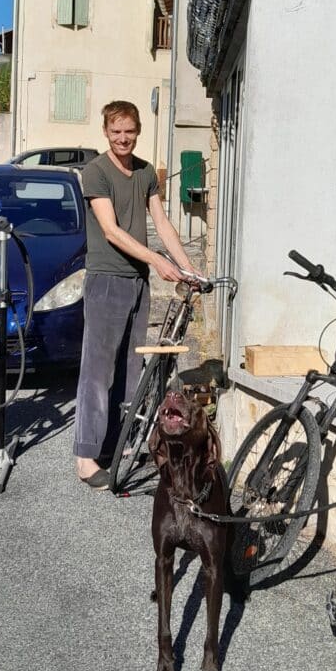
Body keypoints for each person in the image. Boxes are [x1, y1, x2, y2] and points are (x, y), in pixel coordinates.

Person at [74, 100, 199, 489]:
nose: (123, 138)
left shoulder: (145, 172)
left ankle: (120, 442)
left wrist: (188, 269)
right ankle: (86, 457)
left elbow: (161, 223)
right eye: (116, 132)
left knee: (131, 367)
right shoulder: (95, 172)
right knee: (98, 370)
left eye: (129, 131)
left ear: (138, 130)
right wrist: (159, 262)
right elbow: (110, 230)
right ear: (106, 132)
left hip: (136, 281)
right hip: (106, 279)